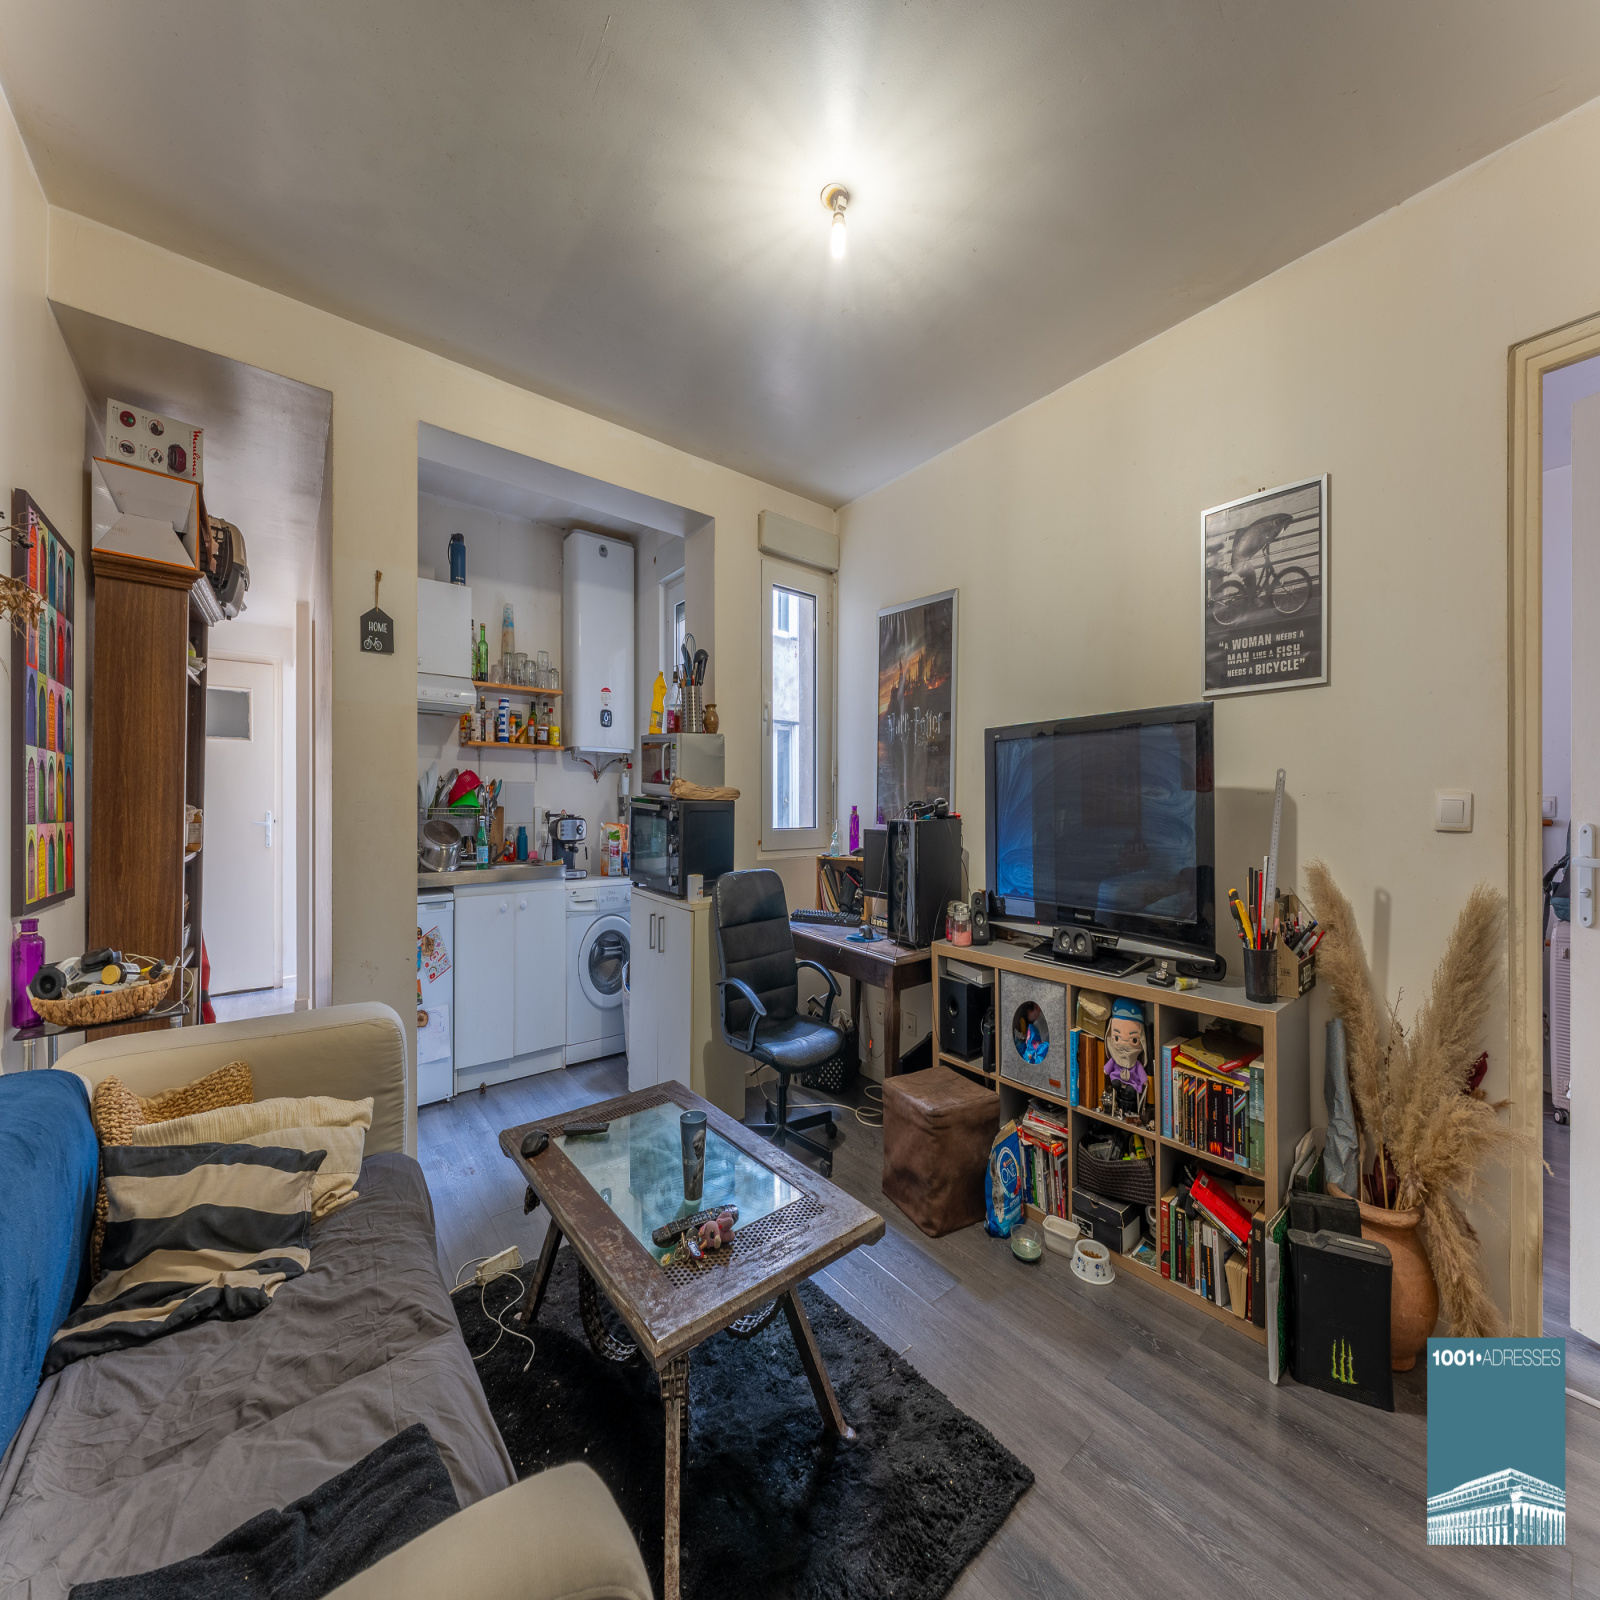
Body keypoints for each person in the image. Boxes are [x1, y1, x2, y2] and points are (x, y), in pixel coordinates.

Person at [1104, 996, 1150, 1123]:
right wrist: (1106, 1070)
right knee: (1115, 1085)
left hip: (1132, 1085)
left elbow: (1142, 1074)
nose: (1124, 1045)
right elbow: (1107, 1068)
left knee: (1130, 1091)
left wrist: (1145, 1081)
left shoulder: (1136, 1063)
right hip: (1118, 1082)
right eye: (1117, 1038)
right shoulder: (1115, 1058)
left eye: (1134, 1040)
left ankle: (1131, 1111)